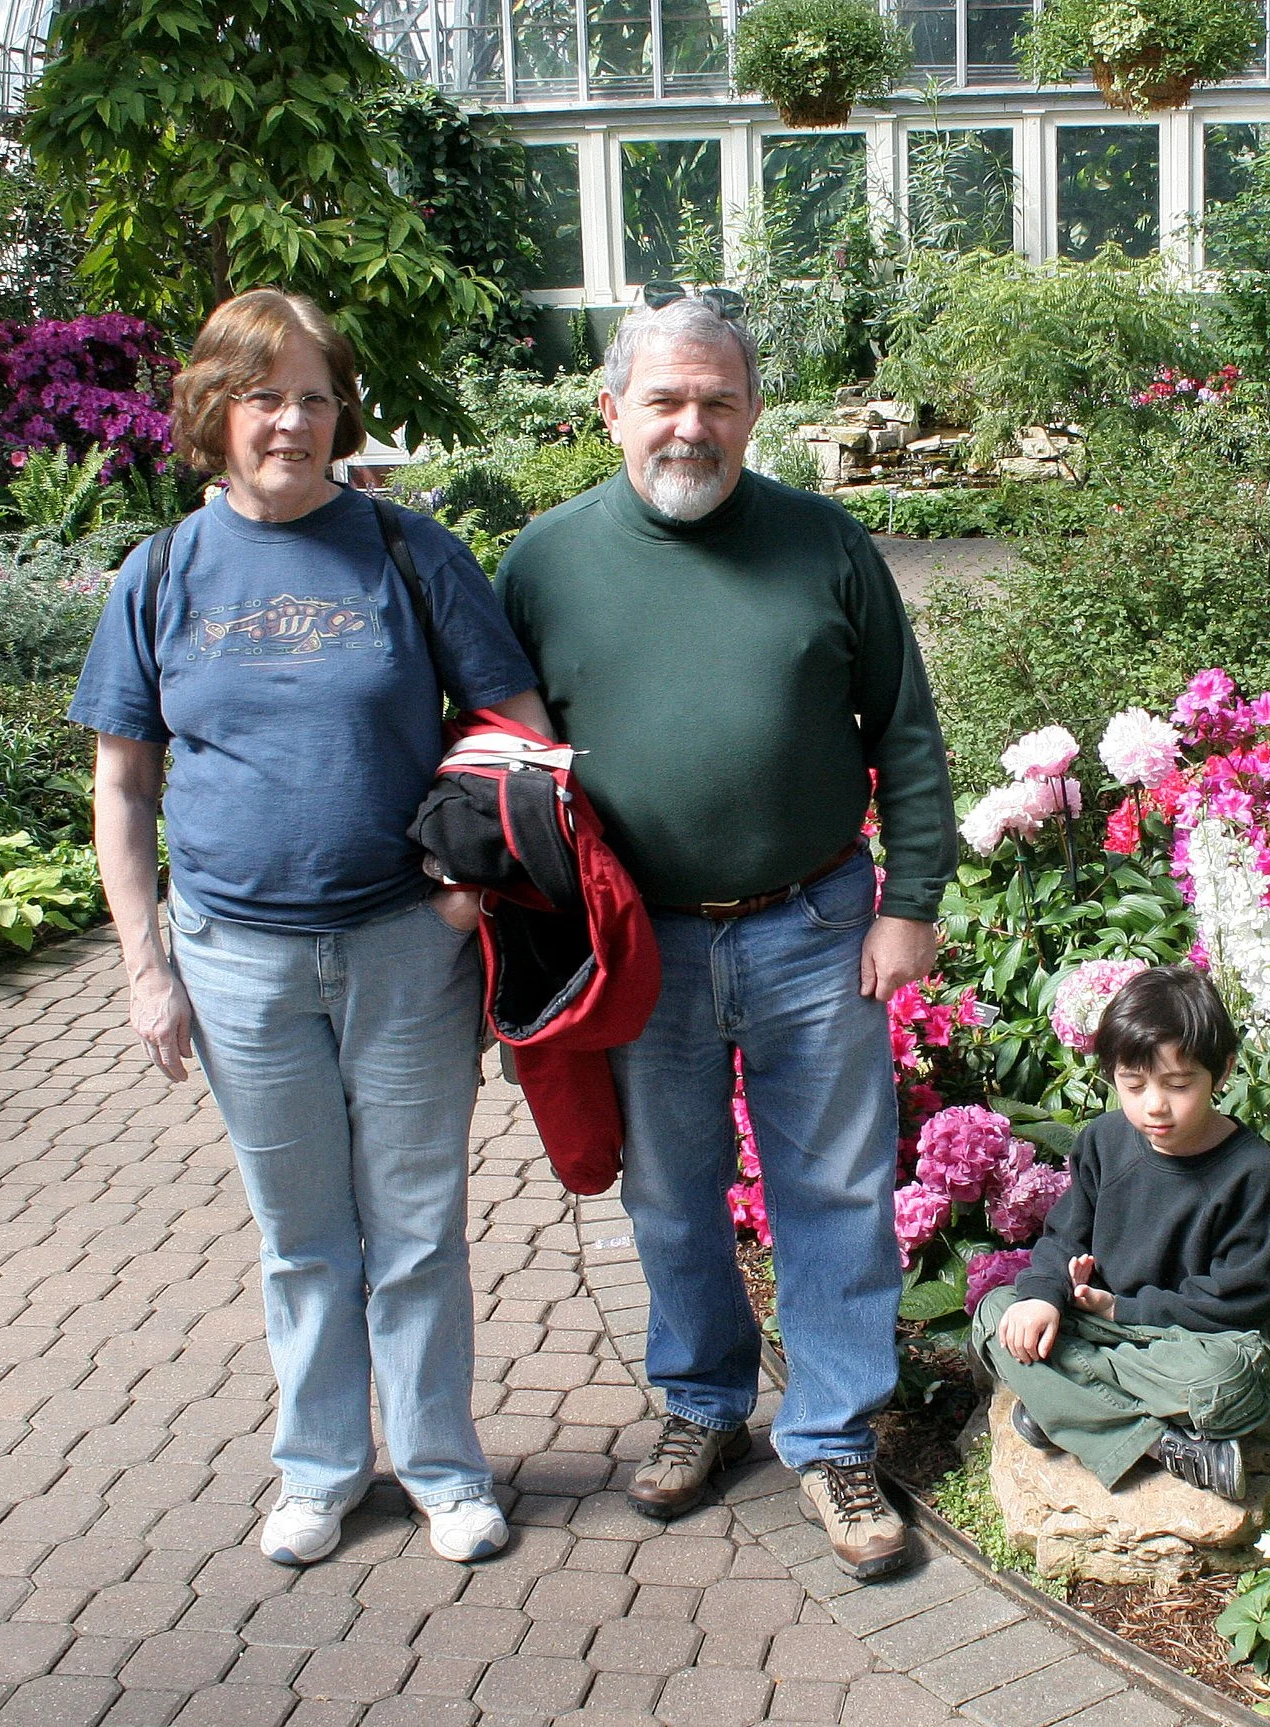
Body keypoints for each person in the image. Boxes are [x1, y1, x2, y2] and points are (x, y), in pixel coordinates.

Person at [70, 289, 555, 1567]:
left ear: (343, 412)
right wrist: (147, 966)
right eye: (264, 394)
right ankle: (323, 1468)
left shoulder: (407, 551)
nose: (292, 419)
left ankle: (445, 1466)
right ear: (215, 410)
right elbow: (124, 783)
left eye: (316, 395)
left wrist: (469, 890)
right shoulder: (164, 571)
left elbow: (519, 730)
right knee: (299, 1237)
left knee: (412, 1224)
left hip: (405, 947)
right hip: (238, 961)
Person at [494, 298, 956, 1579]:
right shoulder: (543, 563)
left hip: (816, 924)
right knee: (669, 1194)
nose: (689, 425)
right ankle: (702, 1403)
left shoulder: (825, 543)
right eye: (664, 400)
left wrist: (910, 901)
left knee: (837, 1191)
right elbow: (496, 756)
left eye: (716, 400)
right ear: (612, 412)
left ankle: (833, 1434)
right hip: (646, 946)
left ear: (753, 412)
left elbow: (904, 731)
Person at [973, 965, 1270, 1500]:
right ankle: (1162, 1443)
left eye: (1178, 1084)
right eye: (1133, 1085)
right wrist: (1049, 1296)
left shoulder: (1255, 1175)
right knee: (999, 1314)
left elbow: (1242, 1299)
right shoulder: (1104, 1141)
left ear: (1222, 1072)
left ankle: (1067, 1412)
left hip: (1197, 1339)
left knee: (1226, 1381)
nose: (1155, 1105)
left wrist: (1121, 1309)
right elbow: (1064, 1237)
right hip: (1109, 1326)